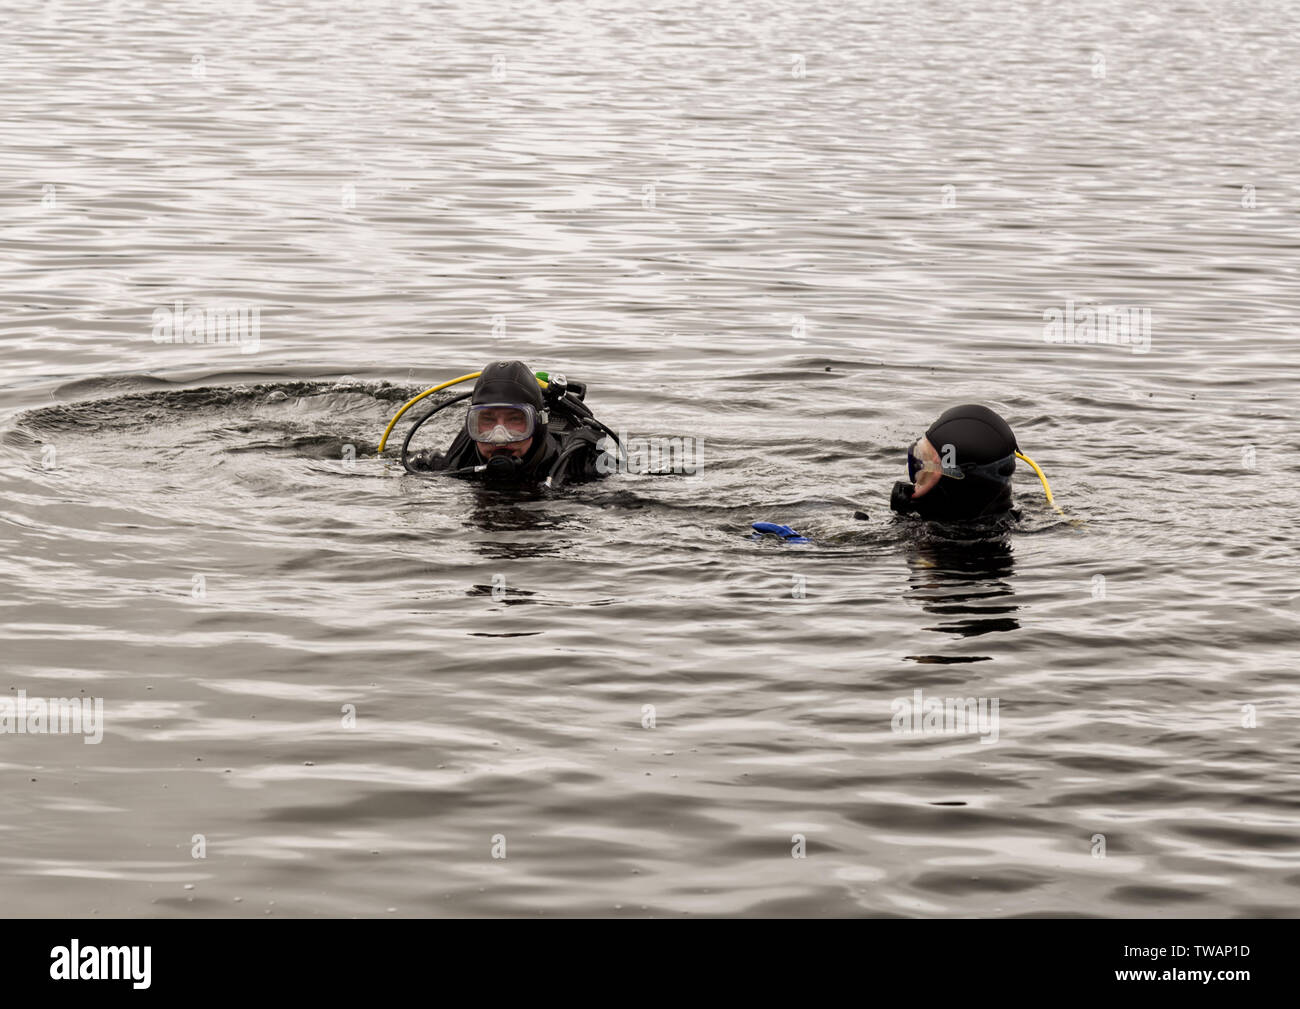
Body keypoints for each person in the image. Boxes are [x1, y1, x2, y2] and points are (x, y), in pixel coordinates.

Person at [403, 361, 615, 487]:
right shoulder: (457, 462)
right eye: (487, 421)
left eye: (515, 420)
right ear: (471, 426)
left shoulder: (578, 466)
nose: (499, 437)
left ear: (538, 424)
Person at [890, 404, 1019, 521]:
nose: (915, 483)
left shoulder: (928, 540)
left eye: (923, 471)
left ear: (955, 485)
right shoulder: (1011, 521)